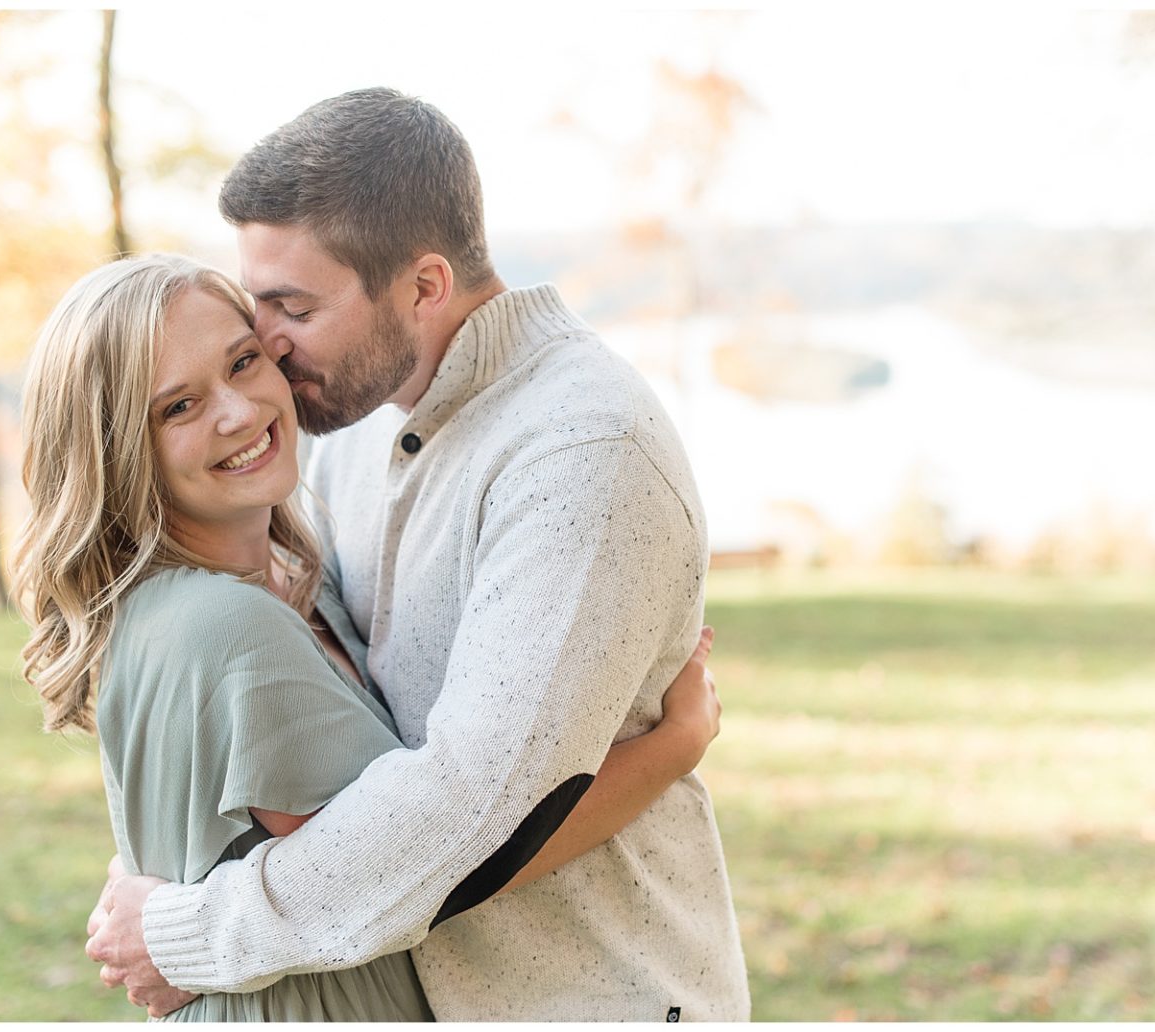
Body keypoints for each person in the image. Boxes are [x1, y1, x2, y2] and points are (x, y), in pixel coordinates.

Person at [86, 88, 752, 1022]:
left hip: (579, 998)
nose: (266, 348)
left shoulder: (580, 452)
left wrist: (192, 929)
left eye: (293, 307)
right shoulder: (351, 419)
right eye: (256, 303)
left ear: (425, 287)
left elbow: (476, 810)